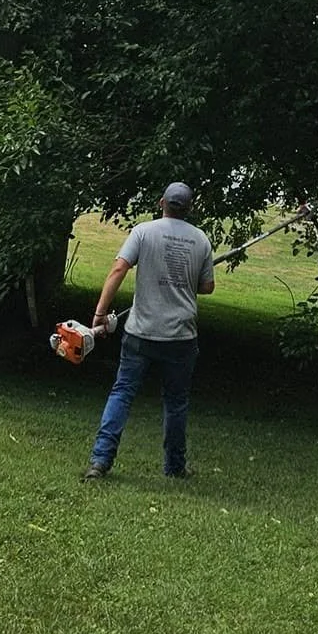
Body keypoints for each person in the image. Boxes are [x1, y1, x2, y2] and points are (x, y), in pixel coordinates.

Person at [82, 181, 215, 481]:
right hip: (181, 337)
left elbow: (118, 269)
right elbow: (207, 286)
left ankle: (100, 462)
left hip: (140, 332)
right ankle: (175, 467)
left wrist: (100, 314)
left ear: (161, 203)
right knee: (176, 401)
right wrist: (185, 276)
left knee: (123, 392)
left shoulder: (143, 231)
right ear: (189, 208)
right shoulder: (201, 240)